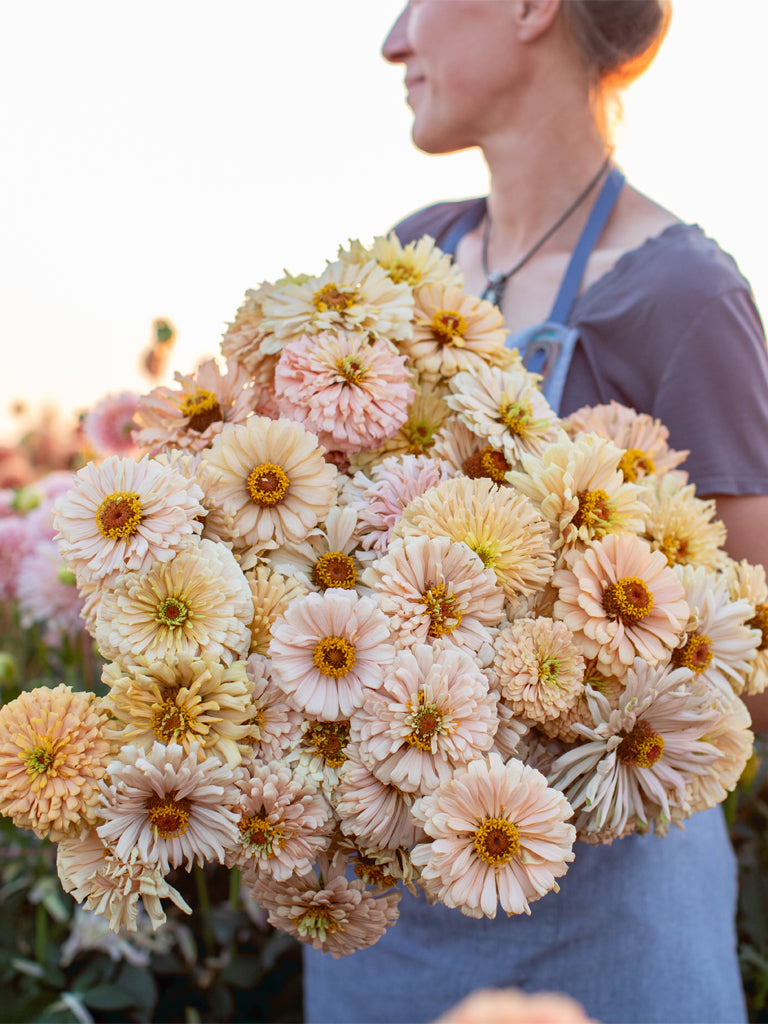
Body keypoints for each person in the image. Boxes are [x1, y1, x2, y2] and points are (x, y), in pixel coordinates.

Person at [302, 2, 768, 1021]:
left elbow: (753, 671)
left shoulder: (684, 297)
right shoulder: (407, 263)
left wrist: (577, 671)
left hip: (604, 943)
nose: (392, 39)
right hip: (386, 937)